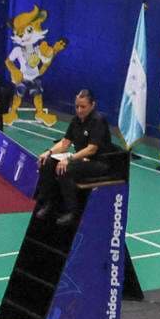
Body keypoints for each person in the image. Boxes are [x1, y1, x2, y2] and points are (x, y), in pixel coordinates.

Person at [33, 88, 112, 226]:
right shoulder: (76, 120)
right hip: (81, 160)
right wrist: (49, 152)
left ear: (92, 105)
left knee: (66, 168)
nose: (79, 110)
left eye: (83, 107)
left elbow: (92, 149)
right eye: (77, 106)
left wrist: (69, 159)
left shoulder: (98, 121)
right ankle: (50, 203)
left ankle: (72, 211)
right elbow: (65, 143)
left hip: (99, 163)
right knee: (48, 162)